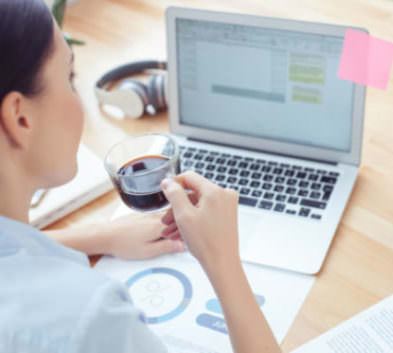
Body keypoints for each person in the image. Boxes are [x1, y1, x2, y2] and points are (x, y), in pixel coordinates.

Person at [0, 1, 281, 352]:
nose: (79, 100)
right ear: (20, 117)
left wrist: (100, 235)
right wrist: (222, 260)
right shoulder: (86, 319)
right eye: (70, 78)